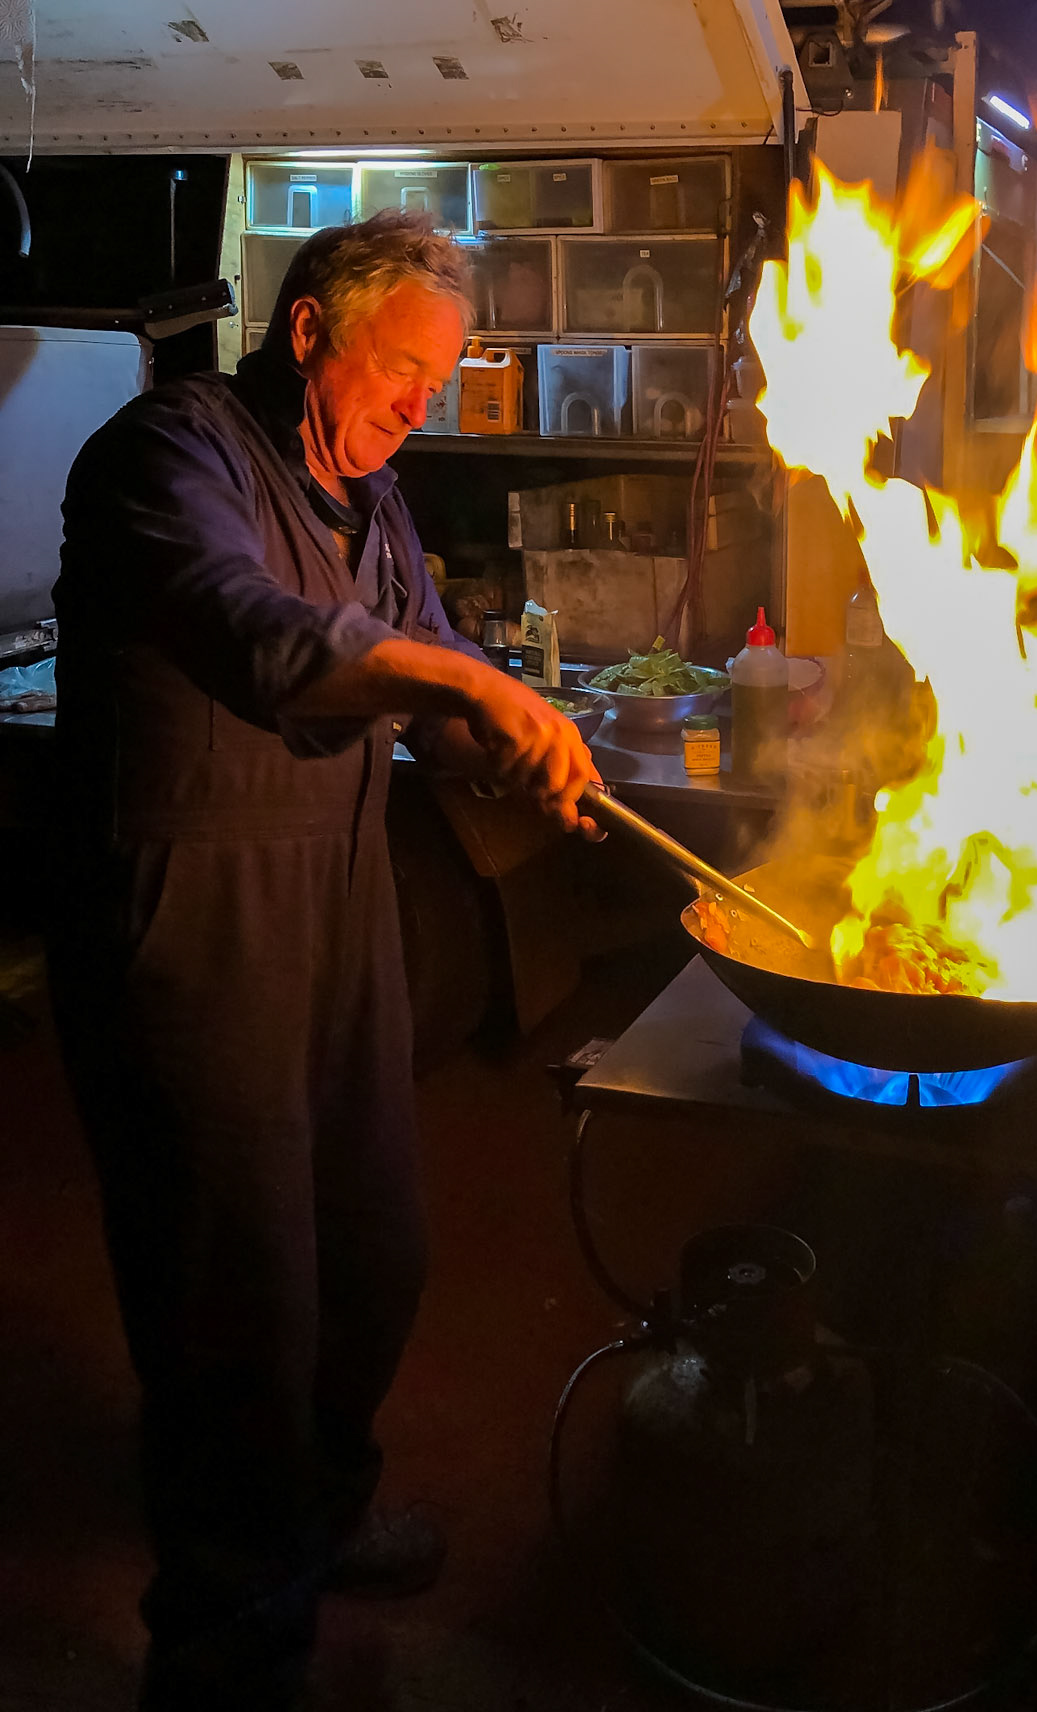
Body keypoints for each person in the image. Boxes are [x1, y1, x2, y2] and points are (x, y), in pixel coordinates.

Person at [46, 212, 599, 1712]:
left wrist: (498, 740)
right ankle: (230, 1648)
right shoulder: (169, 455)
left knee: (374, 1248)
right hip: (191, 909)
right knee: (238, 1303)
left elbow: (414, 678)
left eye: (441, 378)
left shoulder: (377, 496)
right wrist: (457, 676)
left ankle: (323, 1514)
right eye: (403, 370)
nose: (423, 403)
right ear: (308, 333)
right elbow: (266, 636)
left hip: (340, 900)